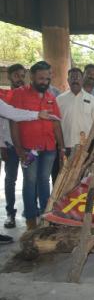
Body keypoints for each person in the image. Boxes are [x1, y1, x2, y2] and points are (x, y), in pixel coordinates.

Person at [9, 61, 64, 231]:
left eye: (47, 78)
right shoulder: (19, 94)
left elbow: (56, 124)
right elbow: (14, 121)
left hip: (49, 148)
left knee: (44, 181)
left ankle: (46, 215)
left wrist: (61, 147)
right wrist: (18, 148)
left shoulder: (50, 97)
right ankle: (31, 219)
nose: (44, 82)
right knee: (30, 181)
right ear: (31, 76)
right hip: (28, 149)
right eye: (41, 78)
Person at [0, 82, 51, 243]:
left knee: (42, 180)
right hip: (14, 146)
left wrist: (37, 114)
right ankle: (24, 217)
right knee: (19, 180)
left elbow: (12, 113)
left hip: (35, 146)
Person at [1, 63, 26, 228]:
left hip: (27, 148)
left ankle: (31, 210)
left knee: (31, 180)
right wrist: (2, 145)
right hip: (9, 147)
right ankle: (10, 213)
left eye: (23, 75)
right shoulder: (3, 96)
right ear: (9, 76)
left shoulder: (29, 96)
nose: (20, 79)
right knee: (10, 180)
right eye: (16, 75)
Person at [57, 68, 94, 153]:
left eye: (78, 78)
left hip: (86, 146)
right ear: (68, 80)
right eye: (72, 78)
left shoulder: (91, 99)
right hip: (67, 145)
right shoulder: (59, 99)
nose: (75, 80)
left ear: (82, 80)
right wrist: (60, 146)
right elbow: (56, 124)